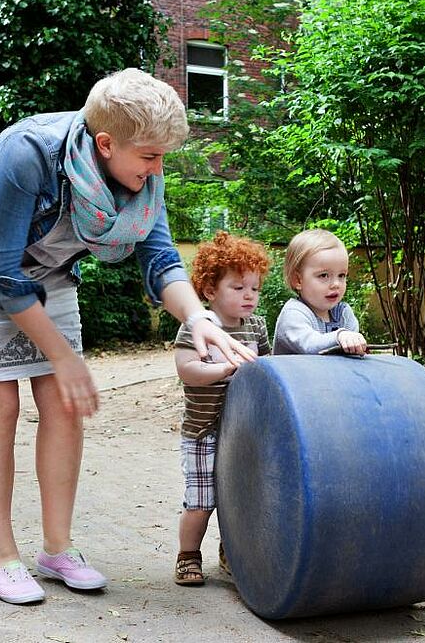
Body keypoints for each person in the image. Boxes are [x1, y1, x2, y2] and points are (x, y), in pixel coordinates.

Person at [0, 68, 256, 605]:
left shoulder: (143, 163)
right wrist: (65, 358)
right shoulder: (29, 151)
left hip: (43, 269)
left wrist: (199, 320)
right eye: (149, 157)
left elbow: (160, 256)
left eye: (163, 157)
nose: (158, 168)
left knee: (63, 404)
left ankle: (56, 549)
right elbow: (3, 272)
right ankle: (2, 558)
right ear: (106, 143)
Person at [172, 231, 272, 586]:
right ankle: (188, 555)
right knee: (202, 500)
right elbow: (187, 370)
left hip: (241, 432)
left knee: (237, 497)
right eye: (238, 287)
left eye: (255, 288)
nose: (249, 296)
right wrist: (225, 369)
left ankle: (231, 552)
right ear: (210, 290)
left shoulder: (256, 328)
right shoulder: (198, 327)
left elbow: (267, 370)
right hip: (203, 431)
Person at [273, 228, 367, 356]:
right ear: (298, 280)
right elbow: (310, 345)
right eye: (324, 275)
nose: (336, 284)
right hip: (293, 375)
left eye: (341, 275)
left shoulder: (343, 314)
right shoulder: (294, 314)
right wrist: (340, 336)